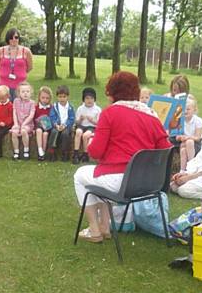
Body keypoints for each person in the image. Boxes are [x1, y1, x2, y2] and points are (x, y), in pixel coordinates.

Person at [73, 71, 171, 243]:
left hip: (121, 182)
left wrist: (91, 141)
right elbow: (166, 150)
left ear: (113, 91)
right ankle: (105, 226)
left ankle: (95, 230)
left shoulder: (110, 113)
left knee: (81, 176)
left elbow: (95, 152)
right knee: (96, 176)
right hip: (149, 184)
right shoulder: (152, 116)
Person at [0, 28, 34, 101]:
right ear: (8, 39)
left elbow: (30, 67)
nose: (14, 39)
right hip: (4, 86)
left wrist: (21, 74)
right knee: (5, 108)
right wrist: (2, 74)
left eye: (16, 37)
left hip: (20, 87)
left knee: (19, 108)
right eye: (11, 37)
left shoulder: (26, 51)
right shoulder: (0, 50)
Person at [73, 87, 101, 164]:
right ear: (83, 99)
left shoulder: (97, 109)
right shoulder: (80, 108)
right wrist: (80, 119)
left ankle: (85, 154)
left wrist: (92, 120)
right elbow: (77, 122)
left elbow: (99, 123)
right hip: (82, 126)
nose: (89, 100)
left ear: (94, 99)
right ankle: (76, 153)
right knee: (78, 132)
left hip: (91, 127)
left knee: (85, 135)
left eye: (91, 98)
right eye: (87, 98)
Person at [47, 85, 75, 162]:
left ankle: (65, 153)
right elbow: (52, 117)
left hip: (66, 126)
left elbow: (71, 118)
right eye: (60, 97)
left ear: (67, 97)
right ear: (57, 97)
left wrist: (65, 125)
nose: (62, 99)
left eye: (64, 96)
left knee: (65, 134)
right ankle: (52, 152)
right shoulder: (55, 106)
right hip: (57, 125)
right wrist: (56, 124)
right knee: (54, 132)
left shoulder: (70, 107)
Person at [176, 97, 202, 171]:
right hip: (184, 143)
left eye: (188, 109)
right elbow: (177, 137)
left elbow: (198, 137)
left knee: (189, 142)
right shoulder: (179, 121)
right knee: (183, 150)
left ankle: (192, 165)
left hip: (196, 144)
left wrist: (187, 137)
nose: (185, 111)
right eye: (183, 109)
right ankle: (182, 170)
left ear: (194, 110)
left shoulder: (198, 120)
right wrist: (180, 137)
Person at [10, 82, 35, 161]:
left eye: (27, 92)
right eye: (23, 92)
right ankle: (16, 151)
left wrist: (24, 124)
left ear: (30, 93)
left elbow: (31, 115)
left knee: (24, 131)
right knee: (14, 133)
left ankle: (26, 150)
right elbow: (14, 113)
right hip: (18, 123)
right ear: (19, 93)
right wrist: (16, 124)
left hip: (27, 124)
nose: (25, 94)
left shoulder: (32, 103)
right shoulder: (16, 101)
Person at [34, 86, 53, 161]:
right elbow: (33, 118)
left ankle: (43, 153)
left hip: (47, 128)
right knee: (38, 131)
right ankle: (39, 149)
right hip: (38, 126)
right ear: (39, 97)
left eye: (47, 98)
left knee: (45, 134)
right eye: (43, 98)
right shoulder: (36, 107)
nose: (45, 100)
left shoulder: (51, 108)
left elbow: (52, 119)